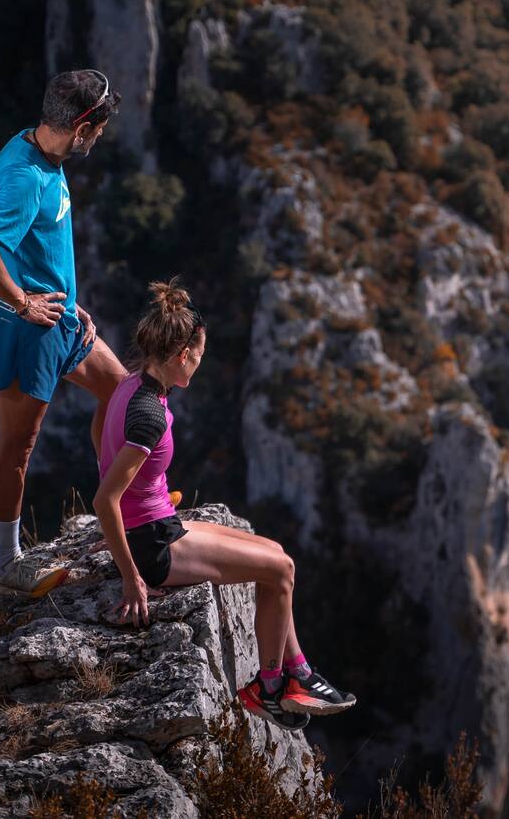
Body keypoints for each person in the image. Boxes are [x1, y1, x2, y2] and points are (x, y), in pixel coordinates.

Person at [92, 280, 356, 730]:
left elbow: (99, 436)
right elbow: (104, 500)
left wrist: (148, 489)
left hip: (159, 524)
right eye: (199, 353)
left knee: (274, 551)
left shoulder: (131, 384)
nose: (201, 360)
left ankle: (299, 675)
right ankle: (271, 689)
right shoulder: (150, 416)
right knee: (282, 571)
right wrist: (132, 579)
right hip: (152, 548)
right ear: (181, 356)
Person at [0, 69, 129, 598]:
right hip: (25, 330)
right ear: (81, 128)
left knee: (124, 394)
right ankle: (8, 564)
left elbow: (35, 243)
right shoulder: (25, 176)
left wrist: (67, 300)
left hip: (61, 320)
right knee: (18, 445)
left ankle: (119, 510)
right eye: (98, 130)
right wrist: (23, 301)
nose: (99, 139)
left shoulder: (40, 153)